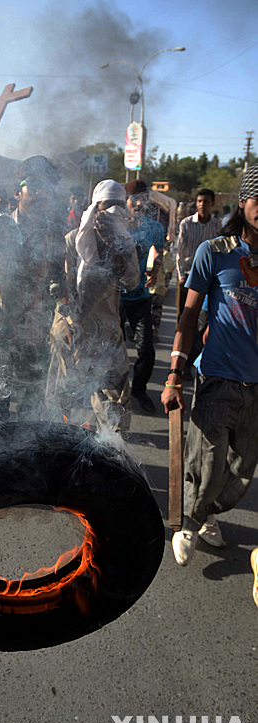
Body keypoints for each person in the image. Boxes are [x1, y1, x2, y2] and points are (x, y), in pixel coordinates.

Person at [162, 164, 258, 574]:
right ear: (244, 203)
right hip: (217, 376)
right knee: (209, 462)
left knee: (242, 470)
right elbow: (187, 315)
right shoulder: (216, 252)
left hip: (257, 386)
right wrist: (175, 374)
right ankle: (190, 522)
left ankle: (208, 510)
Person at [46, 179, 140, 435]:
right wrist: (74, 327)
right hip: (69, 328)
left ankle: (110, 455)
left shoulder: (124, 243)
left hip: (106, 332)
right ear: (96, 208)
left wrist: (115, 248)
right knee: (62, 398)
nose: (114, 211)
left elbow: (132, 282)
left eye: (120, 206)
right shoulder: (73, 240)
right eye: (108, 205)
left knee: (114, 410)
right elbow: (63, 291)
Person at [0, 155, 65, 423]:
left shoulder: (54, 235)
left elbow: (58, 282)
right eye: (35, 186)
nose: (43, 194)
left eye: (48, 188)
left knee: (31, 415)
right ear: (17, 192)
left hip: (35, 338)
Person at [120, 180, 165, 413]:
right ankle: (112, 393)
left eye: (144, 199)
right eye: (135, 199)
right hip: (115, 298)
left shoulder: (153, 228)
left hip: (141, 297)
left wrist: (155, 269)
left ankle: (139, 389)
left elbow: (159, 250)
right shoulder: (115, 225)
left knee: (146, 348)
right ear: (125, 200)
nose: (139, 204)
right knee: (112, 348)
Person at [175, 189, 221, 318]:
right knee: (184, 315)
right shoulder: (186, 224)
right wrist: (180, 276)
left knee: (203, 317)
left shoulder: (217, 225)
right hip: (188, 275)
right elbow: (180, 252)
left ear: (212, 203)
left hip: (208, 277)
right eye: (199, 201)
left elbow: (219, 252)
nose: (202, 205)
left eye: (205, 202)